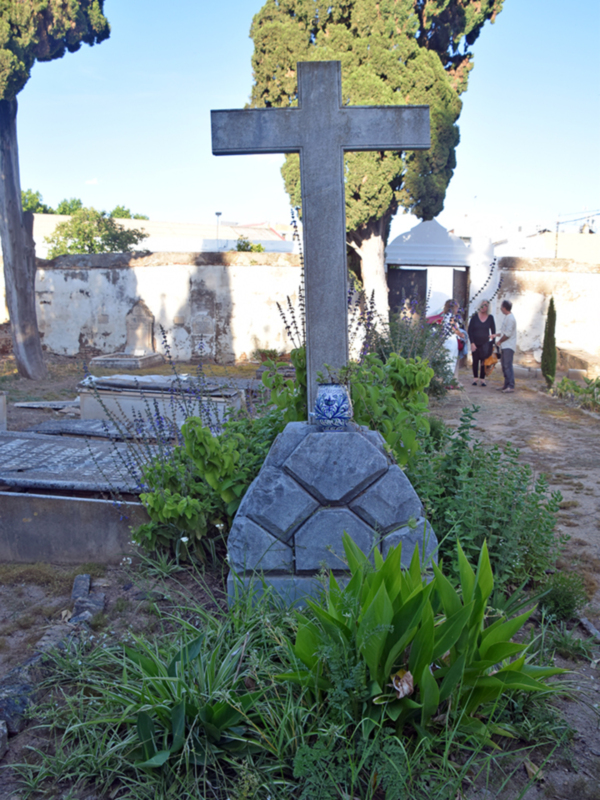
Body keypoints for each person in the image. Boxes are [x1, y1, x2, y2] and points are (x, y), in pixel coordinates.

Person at [468, 299, 496, 387]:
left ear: (488, 308)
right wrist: (472, 343)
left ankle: (483, 380)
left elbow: (493, 331)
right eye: (483, 305)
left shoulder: (490, 318)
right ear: (480, 305)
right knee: (475, 361)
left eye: (486, 306)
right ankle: (475, 379)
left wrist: (492, 344)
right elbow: (470, 331)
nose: (484, 307)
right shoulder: (474, 317)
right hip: (475, 343)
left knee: (484, 362)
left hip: (485, 344)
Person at [494, 299, 517, 393]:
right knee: (504, 365)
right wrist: (496, 335)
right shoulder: (507, 317)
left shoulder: (511, 319)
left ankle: (511, 386)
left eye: (501, 307)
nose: (500, 308)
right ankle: (506, 385)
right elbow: (504, 332)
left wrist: (499, 341)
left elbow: (507, 334)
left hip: (508, 346)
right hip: (505, 346)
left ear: (504, 308)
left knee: (507, 365)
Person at [441, 299, 465, 387]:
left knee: (451, 360)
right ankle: (447, 382)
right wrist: (461, 334)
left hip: (449, 340)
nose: (458, 310)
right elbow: (454, 327)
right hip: (450, 341)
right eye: (457, 307)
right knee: (450, 360)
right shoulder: (450, 316)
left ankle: (448, 381)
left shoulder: (446, 316)